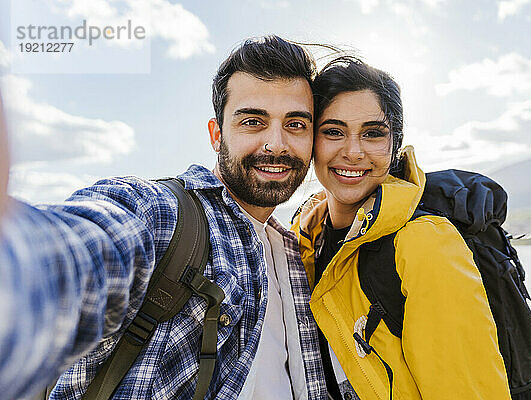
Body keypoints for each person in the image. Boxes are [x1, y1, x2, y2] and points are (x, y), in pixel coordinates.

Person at [0, 35, 329, 400]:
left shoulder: (294, 252)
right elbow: (75, 256)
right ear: (217, 135)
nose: (277, 143)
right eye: (253, 121)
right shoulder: (162, 214)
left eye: (296, 124)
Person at [291, 57, 512, 400]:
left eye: (373, 134)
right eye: (333, 131)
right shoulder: (305, 240)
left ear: (394, 144)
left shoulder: (425, 243)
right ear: (309, 141)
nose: (353, 151)